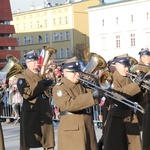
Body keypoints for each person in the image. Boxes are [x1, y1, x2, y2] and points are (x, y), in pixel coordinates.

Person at [52, 56, 103, 150]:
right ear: (65, 73)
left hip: (87, 128)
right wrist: (91, 95)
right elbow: (68, 104)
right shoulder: (59, 88)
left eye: (78, 71)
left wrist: (97, 85)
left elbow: (96, 100)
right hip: (72, 131)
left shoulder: (82, 85)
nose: (77, 74)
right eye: (74, 72)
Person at [103, 54, 143, 150]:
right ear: (117, 65)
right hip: (117, 119)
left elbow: (139, 100)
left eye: (128, 66)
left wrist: (142, 88)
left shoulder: (129, 79)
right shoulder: (110, 78)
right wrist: (136, 85)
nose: (127, 69)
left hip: (131, 118)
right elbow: (117, 95)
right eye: (125, 66)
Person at [17, 50, 55, 150]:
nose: (36, 62)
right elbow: (26, 93)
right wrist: (42, 84)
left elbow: (49, 94)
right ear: (27, 63)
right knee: (27, 140)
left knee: (48, 139)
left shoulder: (42, 74)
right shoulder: (23, 76)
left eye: (36, 60)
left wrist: (51, 83)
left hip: (44, 109)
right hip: (31, 111)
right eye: (33, 61)